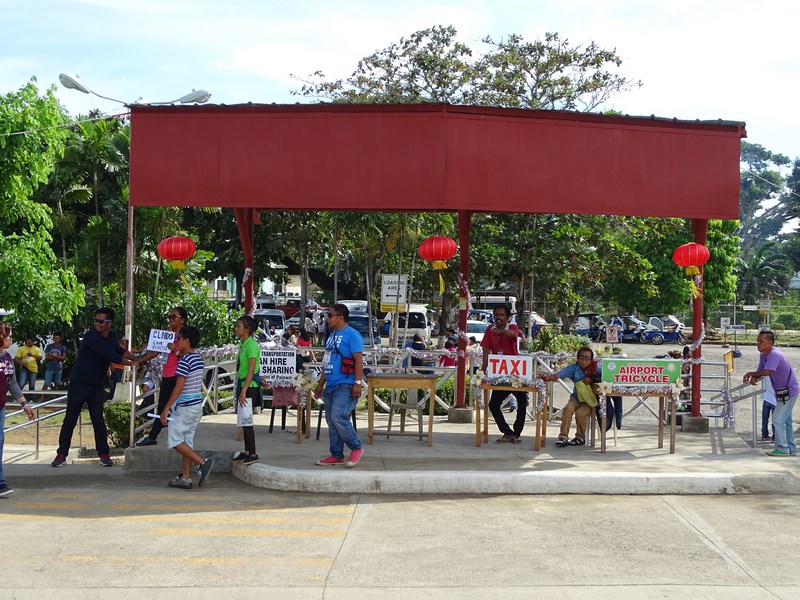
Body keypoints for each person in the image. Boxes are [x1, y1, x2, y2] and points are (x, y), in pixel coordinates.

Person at [52, 308, 139, 467]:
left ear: (109, 323)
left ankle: (104, 454)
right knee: (70, 420)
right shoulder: (90, 336)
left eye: (101, 321)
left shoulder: (112, 337)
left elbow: (120, 351)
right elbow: (109, 355)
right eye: (95, 320)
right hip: (79, 383)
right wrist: (131, 363)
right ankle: (61, 454)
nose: (97, 324)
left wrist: (137, 358)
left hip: (96, 386)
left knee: (98, 420)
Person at [159, 326, 214, 489]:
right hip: (196, 406)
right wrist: (176, 351)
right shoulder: (196, 358)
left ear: (186, 341)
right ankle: (186, 477)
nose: (177, 342)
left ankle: (202, 463)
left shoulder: (184, 361)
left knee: (175, 439)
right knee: (186, 443)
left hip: (185, 407)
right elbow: (183, 357)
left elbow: (179, 386)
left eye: (179, 339)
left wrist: (166, 407)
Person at [314, 303, 365, 467]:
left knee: (338, 416)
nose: (327, 319)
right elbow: (326, 362)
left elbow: (358, 360)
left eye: (330, 315)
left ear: (340, 317)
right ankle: (336, 454)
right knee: (331, 420)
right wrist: (320, 385)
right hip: (331, 385)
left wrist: (357, 383)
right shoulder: (331, 336)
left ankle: (356, 447)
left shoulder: (352, 334)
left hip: (346, 384)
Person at [136, 307, 189, 446]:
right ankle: (153, 436)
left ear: (182, 319)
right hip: (167, 375)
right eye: (169, 317)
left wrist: (175, 350)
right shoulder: (165, 334)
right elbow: (154, 351)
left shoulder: (186, 336)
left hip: (181, 375)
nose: (171, 320)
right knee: (163, 406)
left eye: (174, 317)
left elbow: (189, 356)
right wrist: (140, 360)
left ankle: (182, 436)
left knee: (181, 406)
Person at [743, 330, 798, 457]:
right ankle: (791, 449)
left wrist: (750, 374)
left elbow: (766, 372)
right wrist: (755, 377)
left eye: (761, 341)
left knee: (777, 419)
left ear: (770, 343)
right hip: (781, 392)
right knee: (786, 421)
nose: (758, 344)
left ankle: (783, 448)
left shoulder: (774, 355)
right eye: (757, 341)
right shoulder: (764, 355)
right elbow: (761, 371)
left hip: (789, 391)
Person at [480, 305, 528, 443]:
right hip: (499, 372)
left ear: (507, 318)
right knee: (493, 405)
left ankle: (516, 433)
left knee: (522, 402)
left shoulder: (513, 327)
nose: (498, 317)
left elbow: (513, 335)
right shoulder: (489, 329)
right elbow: (486, 350)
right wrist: (483, 370)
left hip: (515, 372)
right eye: (496, 314)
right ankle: (507, 431)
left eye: (502, 315)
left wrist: (501, 331)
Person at [0, 322, 35, 497]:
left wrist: (24, 404)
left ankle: (0, 483)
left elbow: (12, 383)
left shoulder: (6, 357)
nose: (11, 339)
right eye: (9, 336)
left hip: (0, 407)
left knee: (0, 442)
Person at [541, 346, 600, 447]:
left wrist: (592, 380)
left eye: (587, 358)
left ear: (591, 360)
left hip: (591, 401)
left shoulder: (597, 369)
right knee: (568, 408)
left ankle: (580, 437)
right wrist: (547, 377)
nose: (584, 360)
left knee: (580, 414)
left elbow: (607, 379)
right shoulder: (573, 368)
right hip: (576, 397)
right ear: (577, 359)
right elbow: (559, 375)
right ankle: (563, 437)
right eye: (581, 357)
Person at [232, 315, 261, 465]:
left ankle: (253, 453)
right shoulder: (244, 344)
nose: (237, 329)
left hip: (250, 387)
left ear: (247, 329)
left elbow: (251, 371)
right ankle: (247, 451)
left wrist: (243, 390)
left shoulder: (251, 346)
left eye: (239, 326)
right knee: (244, 419)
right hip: (245, 385)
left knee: (247, 420)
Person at [761, 377, 776, 442]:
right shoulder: (777, 375)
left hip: (766, 398)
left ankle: (764, 434)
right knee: (775, 420)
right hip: (775, 400)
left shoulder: (765, 374)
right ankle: (775, 437)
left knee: (765, 419)